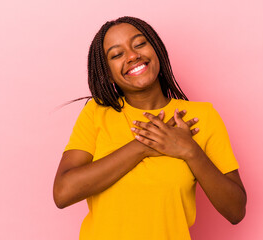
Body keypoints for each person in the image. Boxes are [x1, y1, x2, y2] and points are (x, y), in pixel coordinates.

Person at [53, 16, 247, 240]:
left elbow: (236, 210)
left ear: (157, 50)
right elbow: (63, 192)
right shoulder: (96, 114)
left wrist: (190, 151)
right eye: (117, 54)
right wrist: (142, 147)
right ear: (107, 72)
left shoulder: (201, 117)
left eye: (139, 44)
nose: (132, 56)